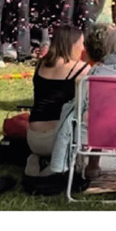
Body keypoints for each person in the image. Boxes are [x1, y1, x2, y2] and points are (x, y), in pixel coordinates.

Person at [22, 24, 87, 178]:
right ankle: (54, 167)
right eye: (81, 44)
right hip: (58, 138)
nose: (83, 48)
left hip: (32, 136)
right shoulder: (80, 69)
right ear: (72, 45)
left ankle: (37, 158)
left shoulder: (41, 64)